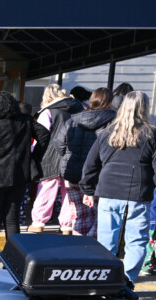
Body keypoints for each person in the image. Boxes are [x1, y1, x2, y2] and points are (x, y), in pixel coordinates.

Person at [80, 91, 156, 283]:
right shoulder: (151, 133)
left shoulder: (107, 133)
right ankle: (127, 280)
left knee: (106, 241)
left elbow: (91, 165)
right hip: (138, 192)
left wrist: (88, 190)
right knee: (136, 241)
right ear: (144, 108)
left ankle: (105, 278)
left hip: (108, 190)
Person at [0, 91, 51, 266]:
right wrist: (33, 157)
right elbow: (45, 135)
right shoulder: (24, 123)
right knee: (12, 220)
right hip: (18, 177)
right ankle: (14, 261)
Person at [54, 87, 117, 237]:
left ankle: (78, 245)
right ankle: (92, 245)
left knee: (78, 212)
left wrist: (69, 156)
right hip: (99, 175)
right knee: (99, 213)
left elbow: (59, 144)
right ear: (110, 101)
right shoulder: (114, 122)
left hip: (73, 174)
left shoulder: (74, 119)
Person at [28, 83, 84, 233]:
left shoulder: (48, 112)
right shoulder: (79, 109)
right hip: (73, 154)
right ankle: (67, 225)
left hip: (50, 155)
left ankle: (38, 223)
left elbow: (42, 135)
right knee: (69, 190)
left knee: (47, 188)